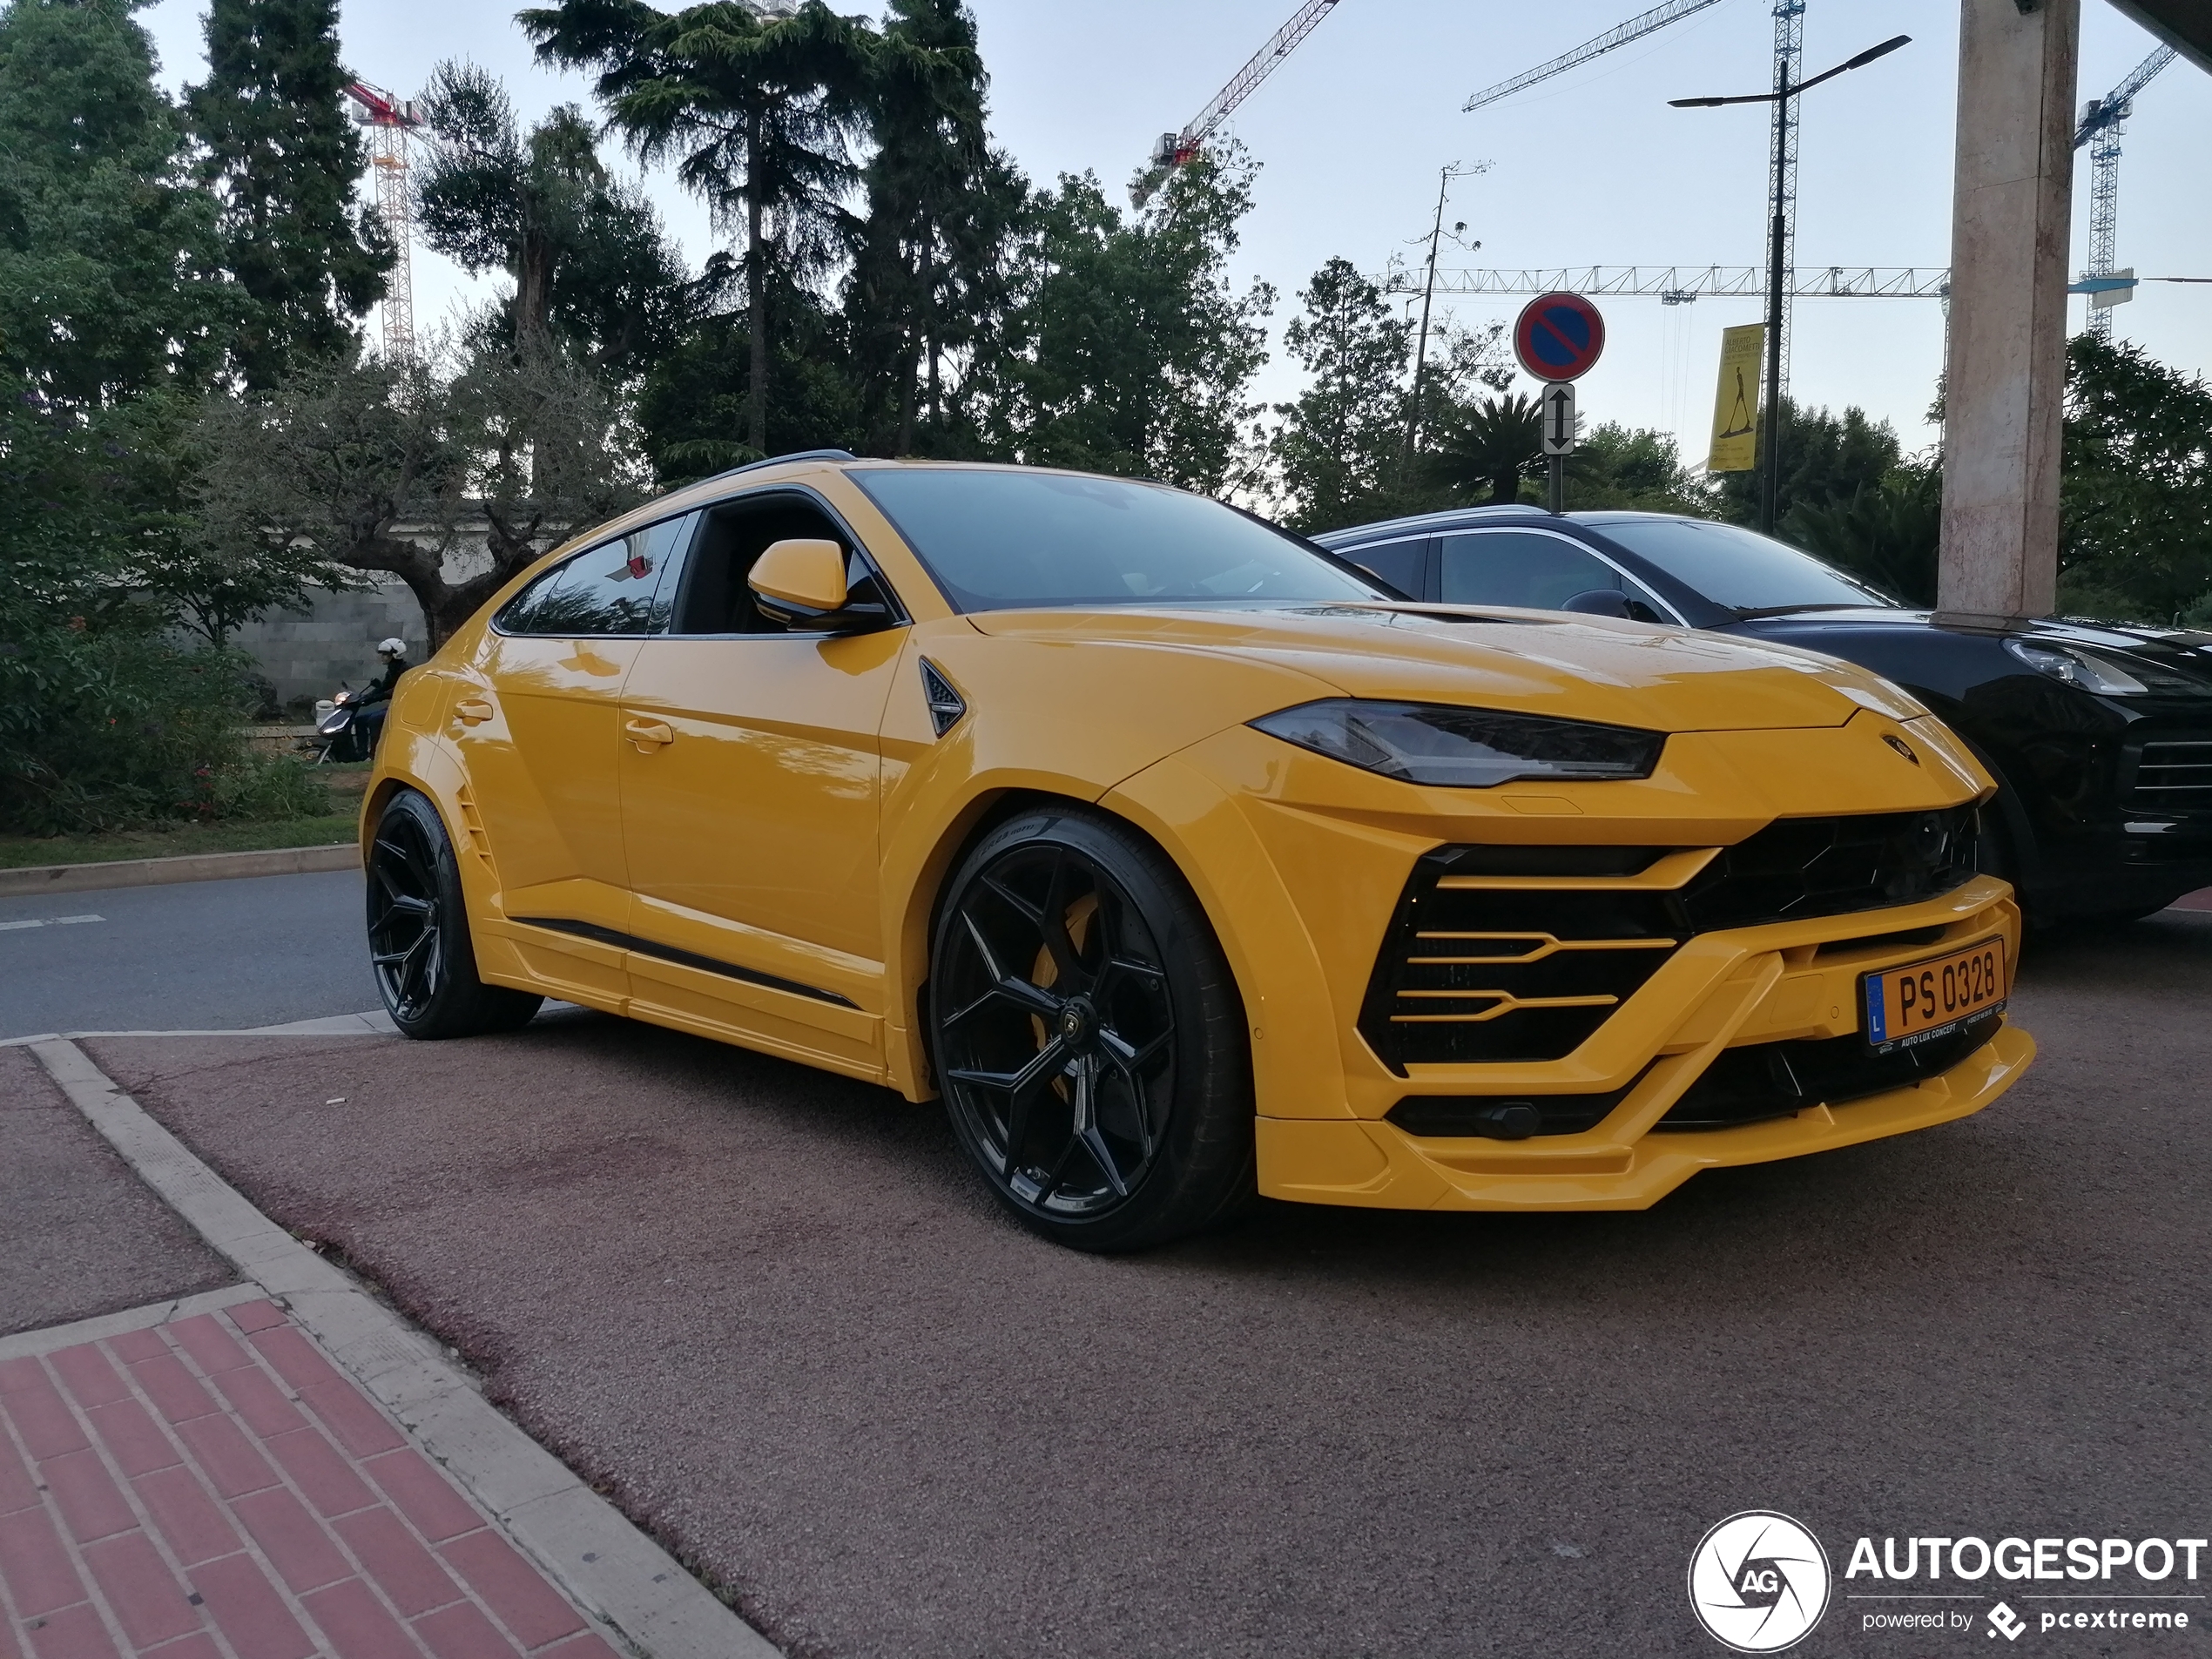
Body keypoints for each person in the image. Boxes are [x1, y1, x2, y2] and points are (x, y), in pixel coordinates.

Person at [351, 637, 408, 756]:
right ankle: (362, 753)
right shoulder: (392, 669)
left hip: (404, 708)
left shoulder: (405, 670)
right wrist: (365, 698)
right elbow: (383, 687)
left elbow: (395, 690)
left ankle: (375, 754)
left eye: (385, 654)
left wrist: (376, 697)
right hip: (394, 706)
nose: (382, 656)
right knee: (360, 720)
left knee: (374, 720)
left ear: (395, 654)